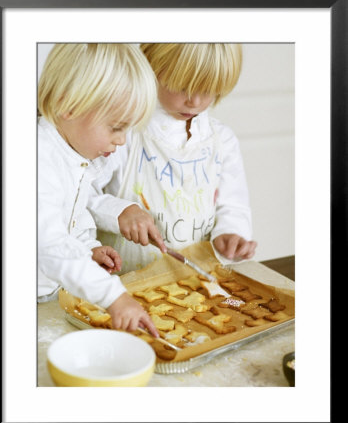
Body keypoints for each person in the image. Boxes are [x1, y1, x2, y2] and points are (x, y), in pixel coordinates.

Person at [90, 43, 257, 274]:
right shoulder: (123, 134)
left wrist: (230, 235)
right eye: (182, 87)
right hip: (123, 287)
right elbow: (80, 197)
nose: (194, 101)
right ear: (151, 68)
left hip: (196, 285)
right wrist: (118, 211)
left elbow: (233, 207)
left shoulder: (222, 140)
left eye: (207, 90)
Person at [37, 43, 163, 336]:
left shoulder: (77, 155)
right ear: (68, 105)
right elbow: (49, 244)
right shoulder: (37, 159)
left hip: (52, 294)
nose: (121, 141)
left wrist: (88, 249)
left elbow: (71, 217)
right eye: (117, 127)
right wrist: (114, 297)